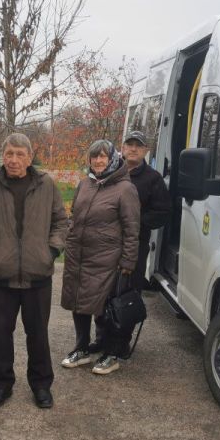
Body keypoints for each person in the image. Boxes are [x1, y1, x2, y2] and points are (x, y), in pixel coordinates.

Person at [0, 133, 68, 409]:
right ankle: (1, 385)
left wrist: (51, 251)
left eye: (20, 154)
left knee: (38, 332)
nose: (13, 160)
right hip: (0, 275)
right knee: (0, 332)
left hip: (38, 274)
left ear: (30, 156)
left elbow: (61, 221)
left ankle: (41, 384)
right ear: (3, 156)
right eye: (9, 154)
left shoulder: (45, 184)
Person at [87, 130, 172, 362]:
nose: (133, 149)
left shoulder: (152, 179)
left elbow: (163, 213)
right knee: (102, 293)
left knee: (126, 294)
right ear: (122, 148)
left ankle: (120, 344)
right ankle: (102, 338)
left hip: (134, 246)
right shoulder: (111, 173)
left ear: (145, 151)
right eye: (129, 144)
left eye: (138, 145)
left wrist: (133, 220)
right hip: (105, 246)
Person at [60, 140, 140, 375]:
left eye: (103, 157)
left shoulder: (125, 189)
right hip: (79, 256)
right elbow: (74, 215)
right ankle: (82, 348)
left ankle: (112, 354)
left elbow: (132, 228)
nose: (98, 161)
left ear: (113, 159)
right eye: (94, 157)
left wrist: (128, 261)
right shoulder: (85, 184)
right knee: (79, 303)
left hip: (107, 259)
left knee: (107, 308)